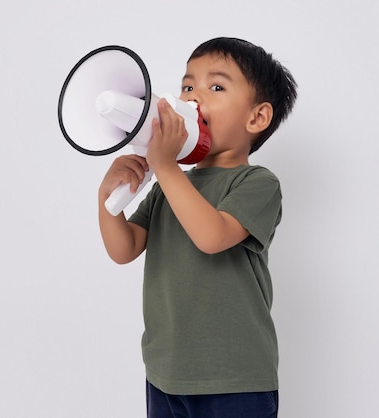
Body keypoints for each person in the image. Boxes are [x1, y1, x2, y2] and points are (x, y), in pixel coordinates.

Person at [97, 37, 298, 418]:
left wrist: (167, 167)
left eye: (216, 87)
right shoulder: (171, 184)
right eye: (187, 86)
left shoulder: (257, 183)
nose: (192, 99)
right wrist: (107, 200)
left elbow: (212, 237)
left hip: (234, 379)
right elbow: (124, 249)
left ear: (256, 118)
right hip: (165, 372)